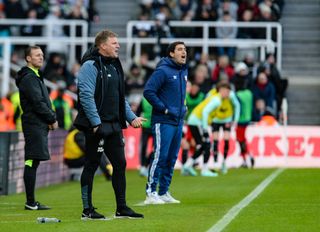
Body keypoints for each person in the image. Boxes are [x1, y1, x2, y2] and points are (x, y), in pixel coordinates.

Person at [73, 29, 145, 220]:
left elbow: (120, 98)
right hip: (97, 125)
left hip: (113, 125)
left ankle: (121, 208)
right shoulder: (90, 66)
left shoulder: (115, 66)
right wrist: (96, 122)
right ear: (102, 45)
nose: (118, 46)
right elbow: (86, 96)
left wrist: (131, 117)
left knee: (120, 164)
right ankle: (87, 210)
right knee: (92, 164)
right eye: (114, 43)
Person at [143, 41, 188, 204]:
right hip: (163, 121)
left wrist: (184, 106)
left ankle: (163, 192)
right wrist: (164, 109)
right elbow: (148, 91)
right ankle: (150, 192)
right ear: (171, 53)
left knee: (171, 157)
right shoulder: (163, 71)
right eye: (180, 49)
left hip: (178, 121)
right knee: (160, 156)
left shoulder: (184, 70)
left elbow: (179, 93)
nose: (184, 52)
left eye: (185, 49)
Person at [15, 46, 58, 210]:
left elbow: (42, 102)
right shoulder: (29, 78)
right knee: (31, 160)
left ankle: (31, 201)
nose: (41, 57)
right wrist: (52, 118)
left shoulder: (35, 76)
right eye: (37, 55)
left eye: (42, 55)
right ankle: (30, 202)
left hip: (37, 124)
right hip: (34, 124)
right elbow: (38, 103)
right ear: (28, 58)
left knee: (33, 160)